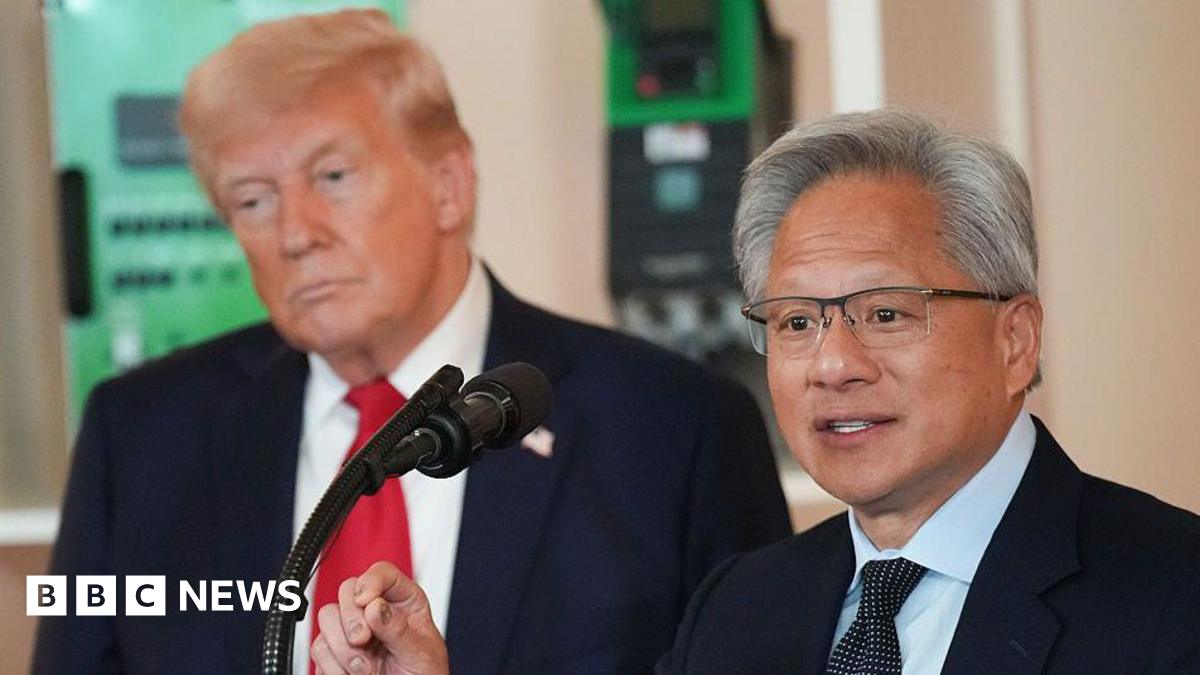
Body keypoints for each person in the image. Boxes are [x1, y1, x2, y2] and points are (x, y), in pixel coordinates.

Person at [32, 10, 791, 674]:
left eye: (332, 176)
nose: (296, 233)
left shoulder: (674, 428)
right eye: (253, 199)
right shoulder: (138, 437)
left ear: (448, 185)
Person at [315, 109, 1200, 675]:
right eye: (795, 321)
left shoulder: (1170, 596)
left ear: (1016, 339)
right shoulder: (739, 609)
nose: (832, 363)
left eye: (886, 313)